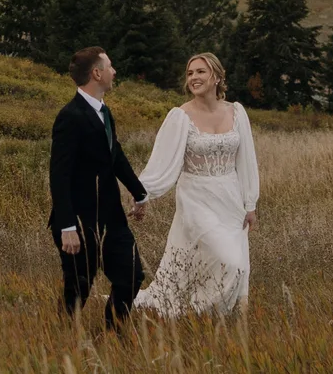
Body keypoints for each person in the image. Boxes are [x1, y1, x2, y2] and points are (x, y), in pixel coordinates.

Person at [131, 50, 260, 318]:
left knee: (222, 263)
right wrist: (141, 194)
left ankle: (209, 316)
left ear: (216, 76)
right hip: (195, 198)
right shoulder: (180, 116)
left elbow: (247, 160)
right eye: (190, 73)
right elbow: (161, 162)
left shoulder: (237, 112)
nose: (194, 77)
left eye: (200, 71)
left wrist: (250, 203)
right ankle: (194, 311)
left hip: (231, 199)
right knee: (229, 260)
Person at [47, 46, 147, 327]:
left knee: (132, 276)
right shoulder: (70, 116)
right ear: (97, 73)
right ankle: (64, 337)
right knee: (78, 287)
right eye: (110, 66)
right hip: (80, 221)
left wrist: (139, 192)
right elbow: (59, 174)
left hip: (111, 218)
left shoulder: (105, 112)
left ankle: (113, 333)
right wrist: (67, 226)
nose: (114, 72)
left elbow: (115, 156)